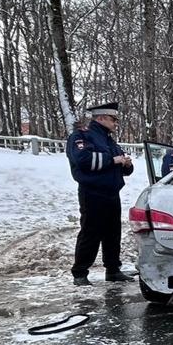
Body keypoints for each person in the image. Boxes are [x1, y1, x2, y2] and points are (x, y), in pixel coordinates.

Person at [67, 101, 135, 286]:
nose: (116, 123)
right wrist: (112, 160)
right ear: (102, 118)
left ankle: (113, 270)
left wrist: (127, 164)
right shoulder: (82, 136)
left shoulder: (108, 139)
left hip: (112, 192)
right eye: (114, 119)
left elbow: (121, 166)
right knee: (91, 233)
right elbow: (83, 160)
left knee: (113, 233)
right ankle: (80, 272)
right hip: (92, 193)